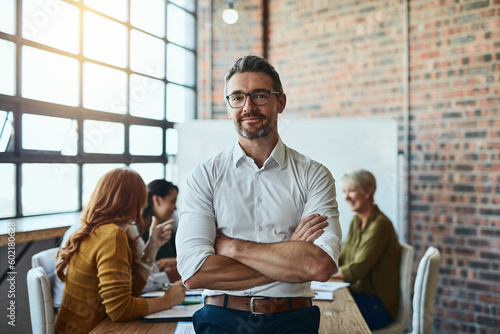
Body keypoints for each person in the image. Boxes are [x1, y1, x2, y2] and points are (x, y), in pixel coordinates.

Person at [175, 55, 342, 334]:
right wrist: (290, 251)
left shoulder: (315, 175)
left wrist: (231, 247)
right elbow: (194, 274)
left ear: (281, 102)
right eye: (237, 98)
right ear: (228, 108)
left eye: (260, 96)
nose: (248, 107)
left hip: (294, 320)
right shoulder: (204, 177)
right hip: (221, 319)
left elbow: (319, 265)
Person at [55, 168, 186, 334]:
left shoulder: (99, 229)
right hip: (94, 329)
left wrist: (152, 245)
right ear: (135, 200)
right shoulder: (112, 235)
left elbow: (131, 291)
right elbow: (119, 310)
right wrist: (167, 300)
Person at [332, 169, 401, 330]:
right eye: (344, 191)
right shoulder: (357, 220)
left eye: (352, 190)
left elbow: (356, 270)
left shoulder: (380, 225)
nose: (346, 197)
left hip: (377, 306)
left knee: (330, 320)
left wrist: (320, 273)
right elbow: (343, 257)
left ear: (368, 191)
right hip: (359, 296)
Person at [141, 179, 181, 281]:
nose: (175, 207)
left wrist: (175, 261)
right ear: (156, 200)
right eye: (172, 201)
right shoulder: (137, 231)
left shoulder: (169, 230)